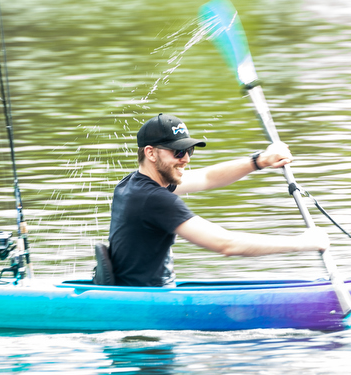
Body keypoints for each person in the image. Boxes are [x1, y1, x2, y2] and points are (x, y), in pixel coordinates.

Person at [105, 113, 330, 287]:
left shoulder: (130, 185)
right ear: (151, 153)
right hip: (147, 303)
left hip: (138, 292)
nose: (185, 159)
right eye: (177, 152)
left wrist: (260, 161)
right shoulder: (155, 199)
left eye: (189, 150)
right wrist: (306, 242)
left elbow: (208, 177)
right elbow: (227, 244)